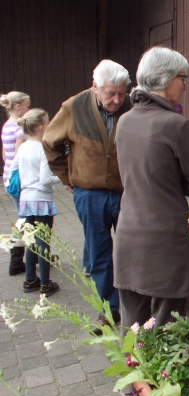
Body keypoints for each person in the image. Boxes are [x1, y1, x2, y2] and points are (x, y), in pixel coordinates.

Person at [114, 46, 189, 328]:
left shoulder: (124, 122)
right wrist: (171, 181)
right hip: (164, 242)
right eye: (184, 78)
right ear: (168, 79)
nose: (185, 85)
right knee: (166, 329)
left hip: (128, 235)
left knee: (132, 329)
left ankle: (134, 372)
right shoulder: (176, 125)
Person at [42, 60, 131, 332]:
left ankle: (135, 307)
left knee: (131, 251)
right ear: (95, 87)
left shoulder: (132, 106)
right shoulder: (74, 107)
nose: (117, 99)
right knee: (99, 255)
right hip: (89, 195)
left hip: (126, 194)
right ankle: (109, 310)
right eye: (110, 93)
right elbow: (50, 142)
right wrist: (66, 177)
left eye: (121, 93)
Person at [10, 109, 61, 296]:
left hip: (26, 199)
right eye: (47, 123)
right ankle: (46, 284)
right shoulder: (42, 149)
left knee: (31, 240)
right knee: (43, 242)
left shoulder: (22, 147)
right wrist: (63, 177)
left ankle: (30, 280)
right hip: (41, 199)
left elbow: (12, 169)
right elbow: (46, 179)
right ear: (41, 127)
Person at [1, 91, 31, 276]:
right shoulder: (20, 128)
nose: (28, 109)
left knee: (24, 217)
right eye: (27, 106)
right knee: (26, 219)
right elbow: (21, 156)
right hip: (20, 181)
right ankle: (16, 260)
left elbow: (6, 155)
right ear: (18, 107)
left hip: (8, 178)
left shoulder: (6, 126)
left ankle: (19, 258)